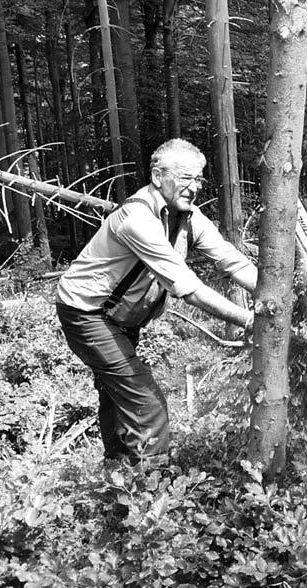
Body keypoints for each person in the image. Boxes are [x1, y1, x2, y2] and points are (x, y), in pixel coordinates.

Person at [56, 138, 257, 468]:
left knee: (116, 395)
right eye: (185, 178)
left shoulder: (187, 217)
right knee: (147, 404)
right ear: (158, 176)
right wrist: (250, 320)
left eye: (199, 180)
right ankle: (150, 496)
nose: (193, 188)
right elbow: (188, 288)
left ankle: (116, 474)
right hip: (87, 313)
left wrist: (274, 295)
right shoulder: (137, 218)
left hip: (119, 318)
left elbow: (232, 261)